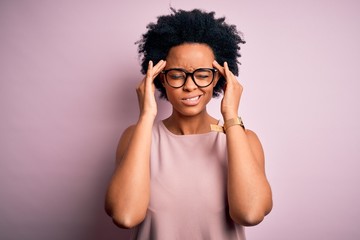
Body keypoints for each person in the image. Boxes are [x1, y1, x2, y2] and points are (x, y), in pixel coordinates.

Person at [105, 8, 272, 240]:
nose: (190, 86)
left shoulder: (245, 140)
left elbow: (250, 214)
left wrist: (231, 115)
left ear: (220, 78)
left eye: (203, 74)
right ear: (160, 77)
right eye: (176, 74)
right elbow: (125, 216)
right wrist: (146, 116)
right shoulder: (136, 137)